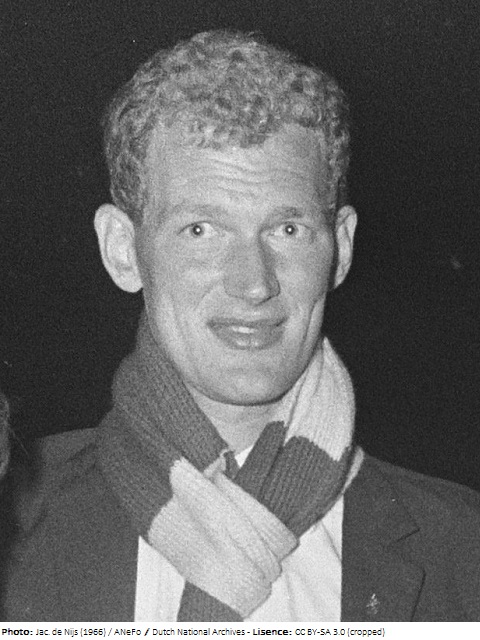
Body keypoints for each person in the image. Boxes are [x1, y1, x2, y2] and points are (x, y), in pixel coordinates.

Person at [3, 30, 480, 623]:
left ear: (341, 248)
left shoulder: (463, 553)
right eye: (201, 230)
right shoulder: (12, 528)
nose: (253, 283)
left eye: (288, 230)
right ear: (122, 250)